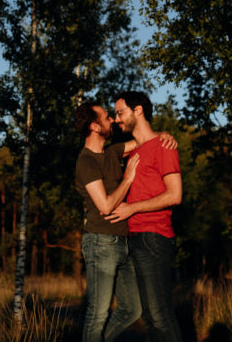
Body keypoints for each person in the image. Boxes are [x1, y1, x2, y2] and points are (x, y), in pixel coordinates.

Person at [75, 101, 176, 342]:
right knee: (97, 313)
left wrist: (165, 135)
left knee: (133, 308)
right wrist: (128, 178)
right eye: (106, 117)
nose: (112, 120)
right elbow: (106, 206)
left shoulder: (111, 152)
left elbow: (144, 140)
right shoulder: (86, 162)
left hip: (122, 242)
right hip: (100, 243)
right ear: (94, 126)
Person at [107, 91, 183, 342]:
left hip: (154, 237)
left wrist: (133, 208)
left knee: (159, 315)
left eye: (120, 112)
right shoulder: (132, 151)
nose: (117, 119)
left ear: (138, 110)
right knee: (149, 316)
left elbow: (175, 195)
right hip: (132, 238)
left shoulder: (164, 146)